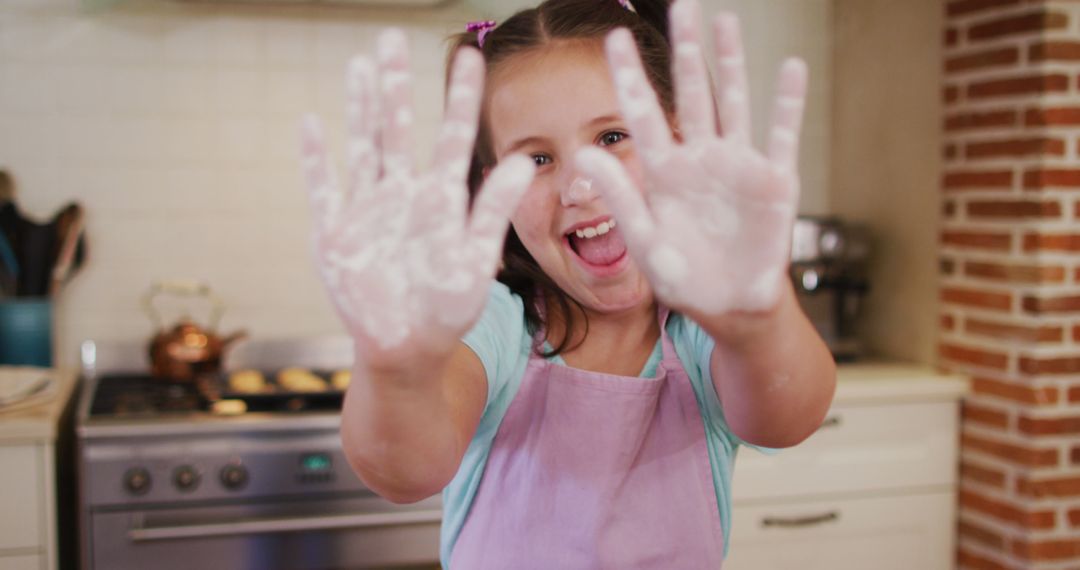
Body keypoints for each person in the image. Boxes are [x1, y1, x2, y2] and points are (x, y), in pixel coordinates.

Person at [299, 0, 836, 567]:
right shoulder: (494, 324)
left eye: (611, 138)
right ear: (493, 190)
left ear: (675, 144)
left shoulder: (702, 331)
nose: (580, 187)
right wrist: (395, 371)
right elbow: (406, 474)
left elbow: (786, 422)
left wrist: (759, 326)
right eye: (536, 158)